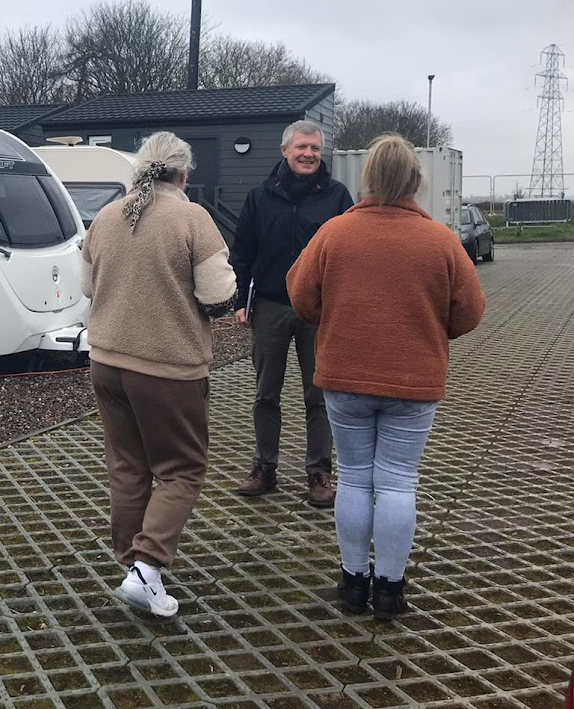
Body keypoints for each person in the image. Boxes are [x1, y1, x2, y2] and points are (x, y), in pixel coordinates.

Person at [287, 133, 485, 619]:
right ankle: (391, 591)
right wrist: (428, 331)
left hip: (343, 377)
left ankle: (354, 583)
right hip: (415, 382)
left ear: (367, 181)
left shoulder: (334, 233)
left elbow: (300, 297)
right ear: (416, 182)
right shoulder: (440, 240)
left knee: (354, 480)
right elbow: (470, 312)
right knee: (398, 483)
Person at [81, 131, 237, 617]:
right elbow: (217, 296)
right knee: (181, 470)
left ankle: (133, 567)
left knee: (128, 468)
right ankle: (147, 567)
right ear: (183, 173)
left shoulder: (106, 217)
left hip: (106, 361)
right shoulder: (193, 218)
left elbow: (87, 286)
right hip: (168, 368)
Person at [231, 120, 353, 507]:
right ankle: (264, 467)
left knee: (319, 394)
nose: (309, 154)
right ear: (284, 150)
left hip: (319, 311)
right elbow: (243, 254)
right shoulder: (259, 196)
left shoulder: (337, 198)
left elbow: (351, 253)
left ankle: (319, 472)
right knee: (266, 393)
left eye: (315, 149)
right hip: (269, 307)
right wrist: (239, 302)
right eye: (302, 147)